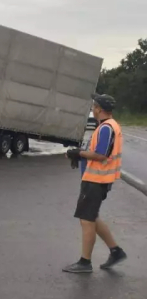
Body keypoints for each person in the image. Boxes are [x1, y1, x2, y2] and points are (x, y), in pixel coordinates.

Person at [63, 94, 126, 273]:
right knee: (92, 217)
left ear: (99, 109)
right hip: (99, 180)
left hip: (96, 180)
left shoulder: (106, 127)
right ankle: (116, 251)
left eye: (94, 106)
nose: (92, 108)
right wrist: (80, 154)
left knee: (86, 220)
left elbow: (101, 154)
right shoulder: (108, 126)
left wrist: (78, 153)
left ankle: (85, 263)